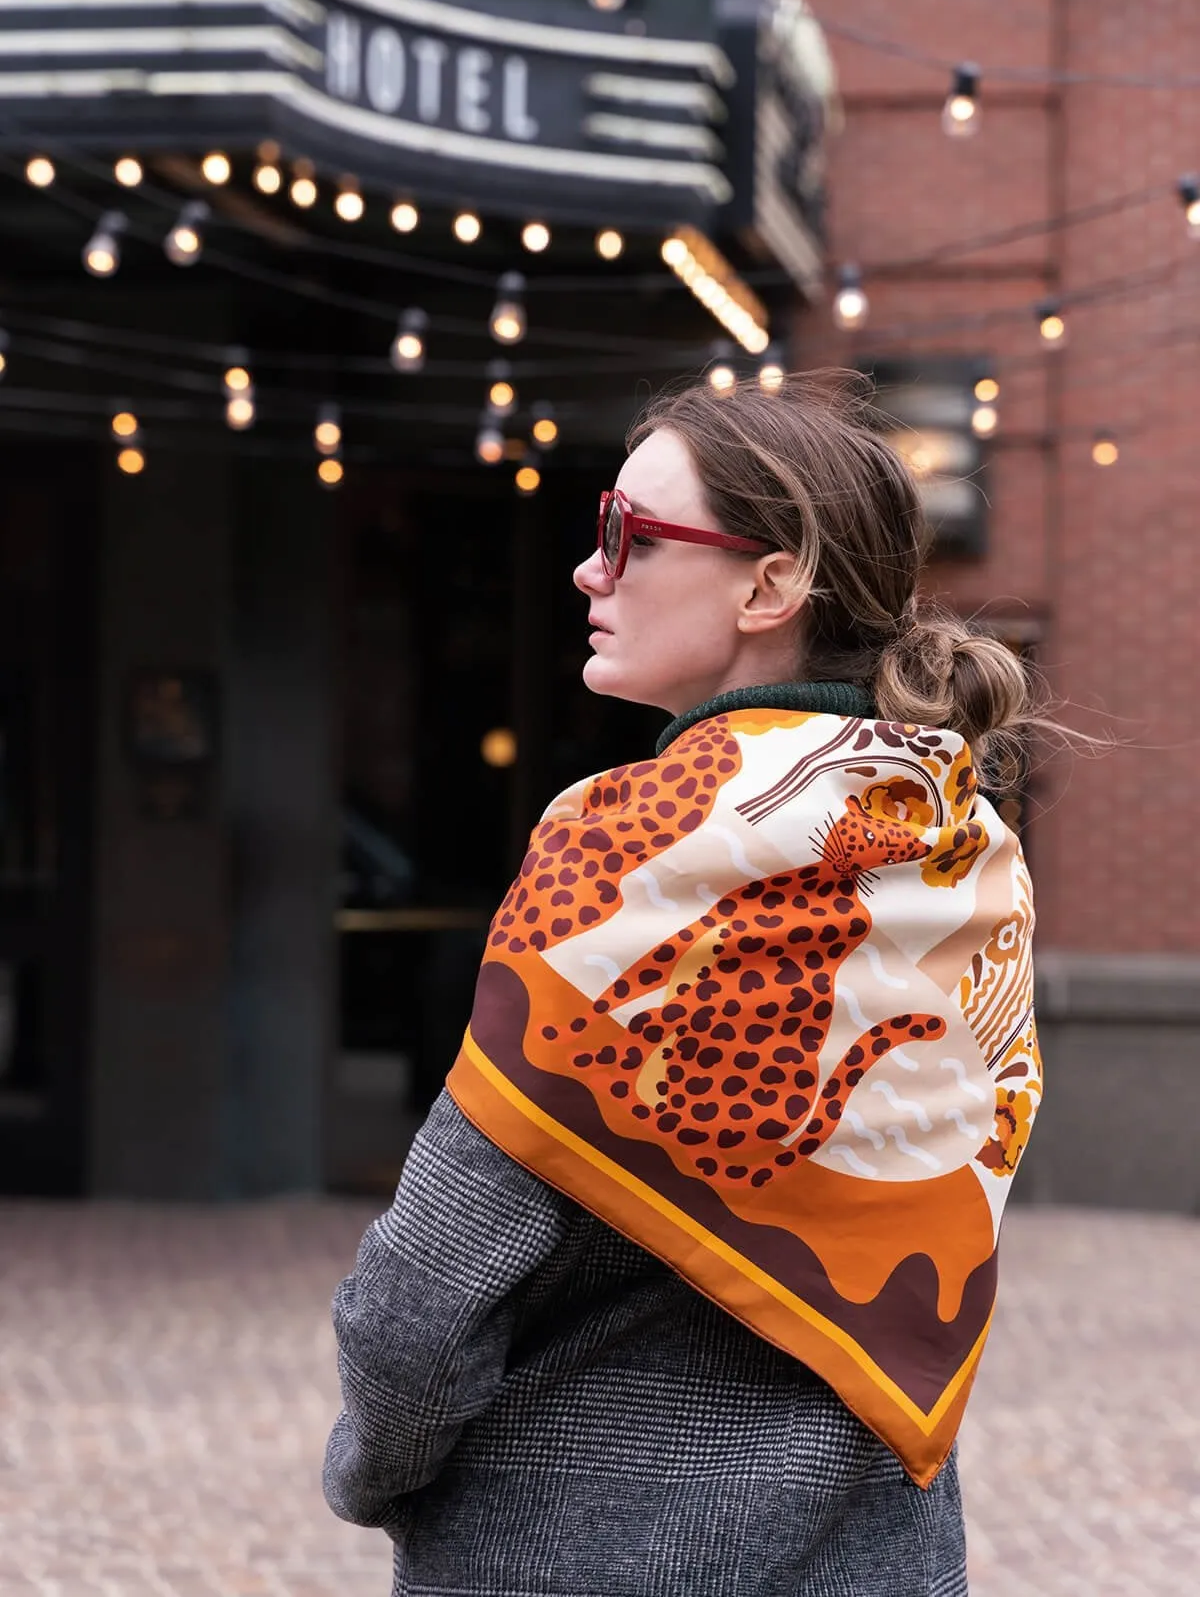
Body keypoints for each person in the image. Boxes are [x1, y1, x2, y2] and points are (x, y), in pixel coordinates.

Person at [323, 372, 1044, 1596]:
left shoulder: (628, 847)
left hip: (565, 1544)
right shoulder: (966, 852)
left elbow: (425, 1292)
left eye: (629, 534)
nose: (588, 572)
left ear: (769, 584)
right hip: (876, 1555)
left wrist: (375, 1470)